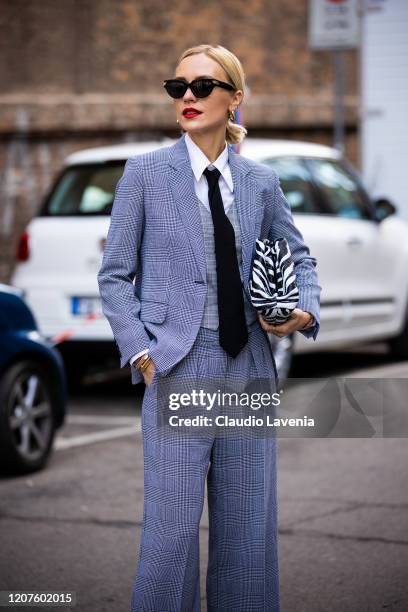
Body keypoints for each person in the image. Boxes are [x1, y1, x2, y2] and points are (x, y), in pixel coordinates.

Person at [98, 43, 321, 612]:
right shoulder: (144, 174)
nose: (188, 98)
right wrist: (143, 354)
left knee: (247, 537)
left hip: (247, 369)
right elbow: (115, 275)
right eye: (179, 88)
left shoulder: (261, 182)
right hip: (176, 370)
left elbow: (301, 257)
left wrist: (305, 311)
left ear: (235, 98)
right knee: (169, 541)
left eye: (202, 86)